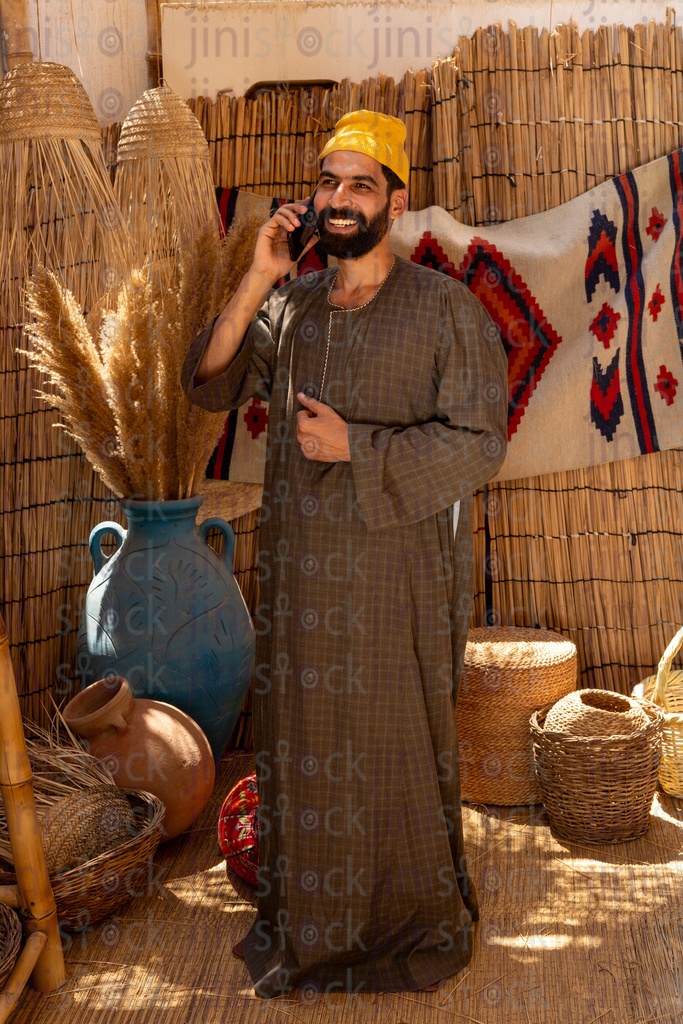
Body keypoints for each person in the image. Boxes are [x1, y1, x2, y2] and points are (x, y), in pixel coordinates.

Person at [182, 110, 508, 997]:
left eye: (359, 184)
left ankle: (402, 917)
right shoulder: (289, 305)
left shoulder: (445, 309)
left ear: (395, 202)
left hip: (397, 581)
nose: (336, 199)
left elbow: (481, 441)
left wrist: (357, 446)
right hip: (297, 582)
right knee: (304, 741)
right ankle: (313, 918)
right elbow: (205, 383)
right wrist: (257, 276)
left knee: (394, 742)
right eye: (327, 181)